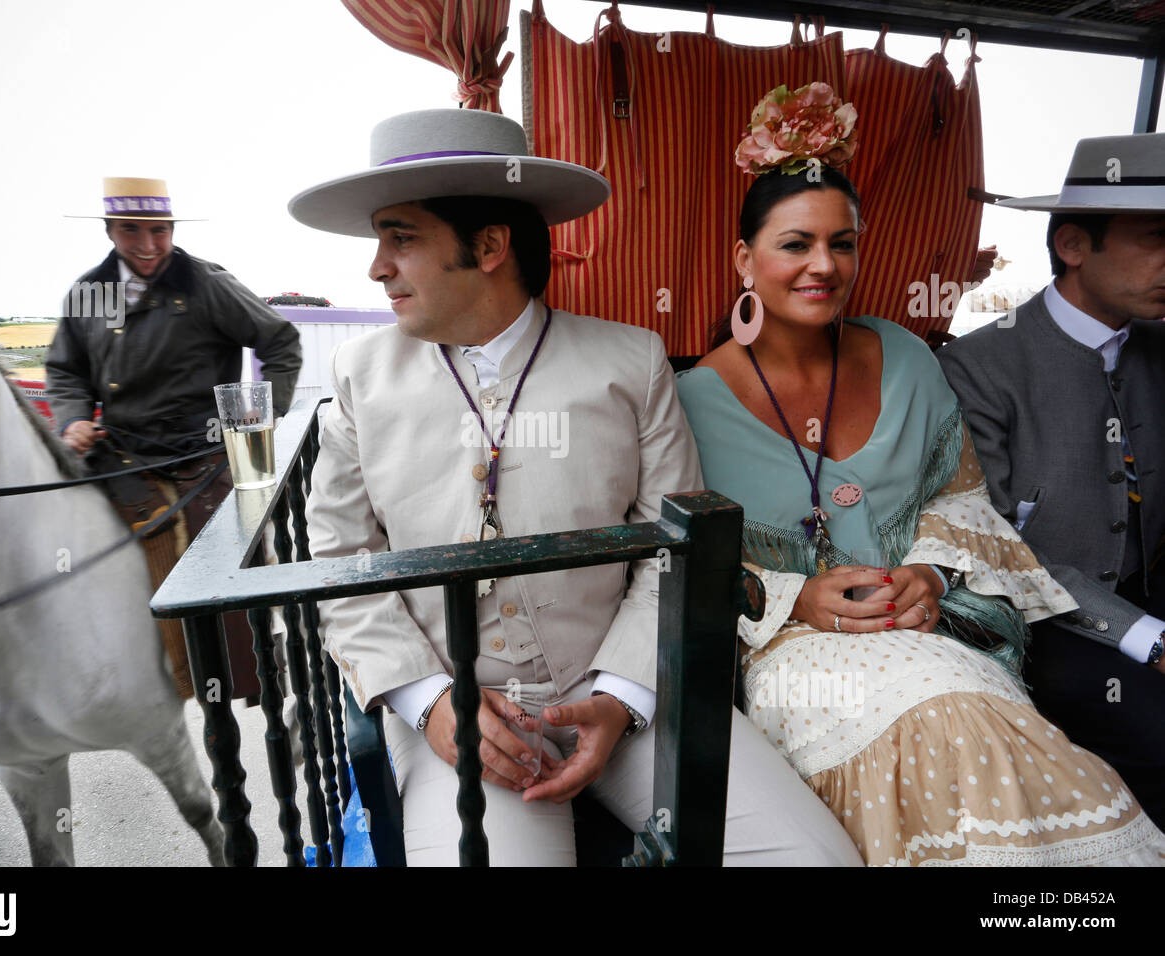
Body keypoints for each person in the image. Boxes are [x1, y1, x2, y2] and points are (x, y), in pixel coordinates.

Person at [288, 107, 863, 866]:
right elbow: (341, 562)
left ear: (490, 246)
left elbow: (681, 555)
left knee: (816, 862)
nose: (376, 268)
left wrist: (622, 698)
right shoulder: (359, 378)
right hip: (463, 722)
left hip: (622, 695)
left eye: (400, 238)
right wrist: (430, 702)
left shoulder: (632, 362)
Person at [677, 83, 1165, 865]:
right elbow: (676, 567)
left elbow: (962, 498)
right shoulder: (686, 404)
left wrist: (933, 575)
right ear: (746, 258)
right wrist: (796, 594)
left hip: (931, 630)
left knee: (971, 709)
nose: (823, 265)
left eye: (843, 243)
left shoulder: (905, 355)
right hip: (789, 654)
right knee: (941, 712)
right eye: (796, 243)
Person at [938, 133, 1165, 828]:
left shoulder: (1158, 347)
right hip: (1049, 621)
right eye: (1156, 237)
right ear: (1072, 245)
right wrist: (1144, 635)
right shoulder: (981, 363)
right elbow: (999, 542)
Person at [47, 177, 302, 699]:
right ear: (109, 230)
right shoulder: (86, 294)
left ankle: (256, 678)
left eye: (159, 231)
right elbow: (66, 371)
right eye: (130, 231)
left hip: (202, 458)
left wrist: (260, 415)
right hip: (119, 459)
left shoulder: (207, 284)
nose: (147, 245)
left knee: (233, 581)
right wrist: (71, 418)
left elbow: (280, 342)